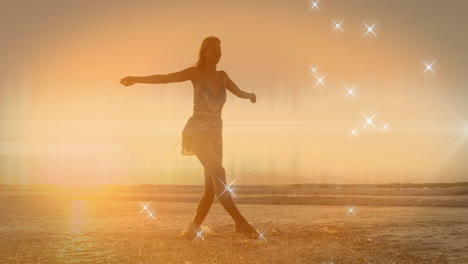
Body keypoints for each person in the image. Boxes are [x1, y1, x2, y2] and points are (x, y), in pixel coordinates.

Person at [120, 36, 259, 239]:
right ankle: (240, 223)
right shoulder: (196, 73)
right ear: (204, 52)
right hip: (197, 131)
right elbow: (165, 77)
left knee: (211, 189)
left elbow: (238, 92)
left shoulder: (223, 76)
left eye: (220, 50)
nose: (218, 54)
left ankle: (192, 229)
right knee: (219, 171)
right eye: (214, 50)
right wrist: (137, 79)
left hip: (215, 134)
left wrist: (250, 96)